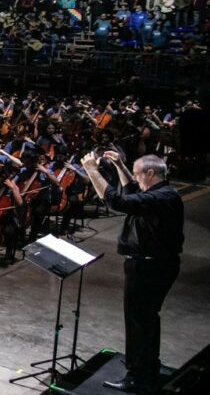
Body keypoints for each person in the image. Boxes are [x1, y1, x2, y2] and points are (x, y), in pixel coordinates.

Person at [81, 152, 183, 393]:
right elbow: (133, 191)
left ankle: (138, 376)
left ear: (150, 173)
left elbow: (120, 202)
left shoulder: (161, 197)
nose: (135, 179)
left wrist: (92, 171)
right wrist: (120, 165)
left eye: (138, 174)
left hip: (149, 267)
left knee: (138, 322)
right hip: (155, 264)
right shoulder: (160, 193)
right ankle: (147, 366)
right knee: (146, 319)